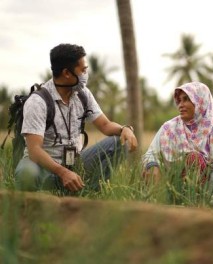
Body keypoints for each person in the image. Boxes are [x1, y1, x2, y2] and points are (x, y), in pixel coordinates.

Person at [15, 43, 138, 193]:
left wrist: (125, 129)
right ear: (67, 73)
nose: (86, 74)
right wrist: (63, 172)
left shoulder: (82, 94)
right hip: (44, 169)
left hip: (74, 165)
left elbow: (105, 125)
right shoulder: (38, 102)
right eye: (83, 70)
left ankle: (88, 193)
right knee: (27, 172)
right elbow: (34, 150)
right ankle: (36, 203)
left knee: (118, 142)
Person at [142, 82, 213, 200]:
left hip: (205, 195)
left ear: (200, 102)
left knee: (194, 159)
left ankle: (193, 205)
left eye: (186, 99)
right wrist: (153, 165)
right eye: (179, 100)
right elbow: (151, 153)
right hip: (169, 187)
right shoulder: (169, 128)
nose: (180, 105)